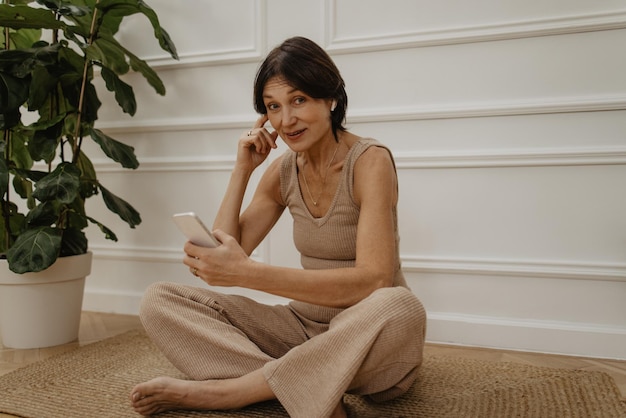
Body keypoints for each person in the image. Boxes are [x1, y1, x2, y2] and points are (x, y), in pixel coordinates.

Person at [130, 36, 427, 418]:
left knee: (398, 304)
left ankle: (232, 392)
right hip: (300, 331)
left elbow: (373, 281)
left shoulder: (369, 161)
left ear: (331, 98)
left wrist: (248, 274)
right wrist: (243, 170)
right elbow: (224, 251)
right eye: (273, 107)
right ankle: (308, 388)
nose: (286, 120)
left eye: (299, 100)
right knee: (159, 300)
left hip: (369, 338)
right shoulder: (284, 170)